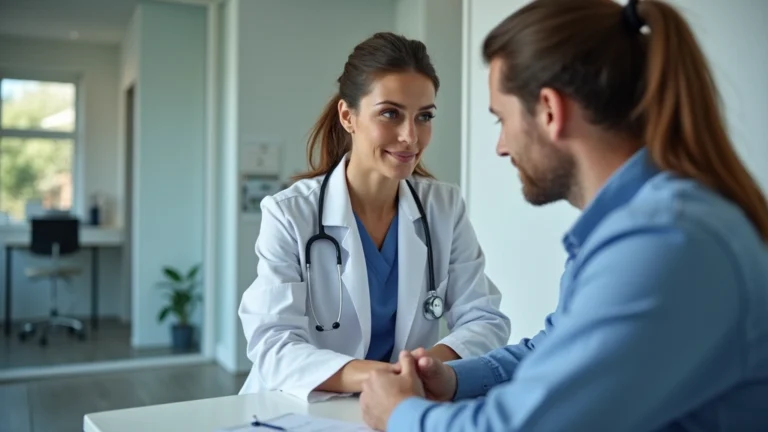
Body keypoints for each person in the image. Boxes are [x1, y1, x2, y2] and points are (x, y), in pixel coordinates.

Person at [358, 0, 768, 430]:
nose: (501, 146)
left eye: (502, 119)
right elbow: (556, 351)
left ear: (550, 111)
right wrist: (454, 379)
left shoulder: (666, 239)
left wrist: (400, 415)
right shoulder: (639, 224)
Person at [238, 32, 511, 402]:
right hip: (302, 407)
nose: (410, 137)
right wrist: (379, 376)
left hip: (404, 403)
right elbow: (272, 342)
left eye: (424, 116)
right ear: (348, 116)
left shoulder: (444, 208)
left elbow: (484, 318)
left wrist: (426, 367)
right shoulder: (289, 214)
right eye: (390, 113)